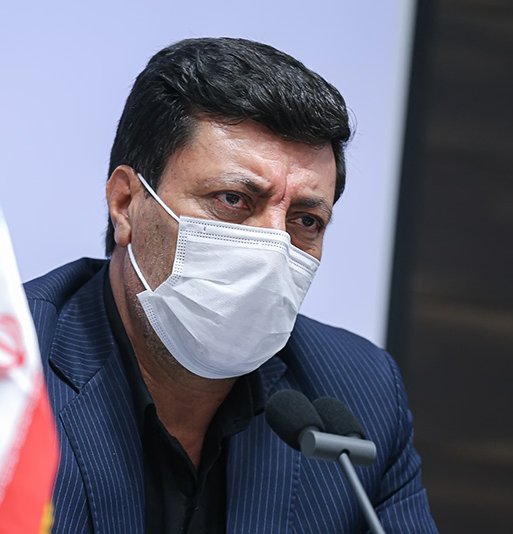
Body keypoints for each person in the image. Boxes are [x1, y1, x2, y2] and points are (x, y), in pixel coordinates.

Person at [24, 37, 438, 533]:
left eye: (305, 220)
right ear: (125, 203)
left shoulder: (362, 395)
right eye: (233, 200)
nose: (273, 247)